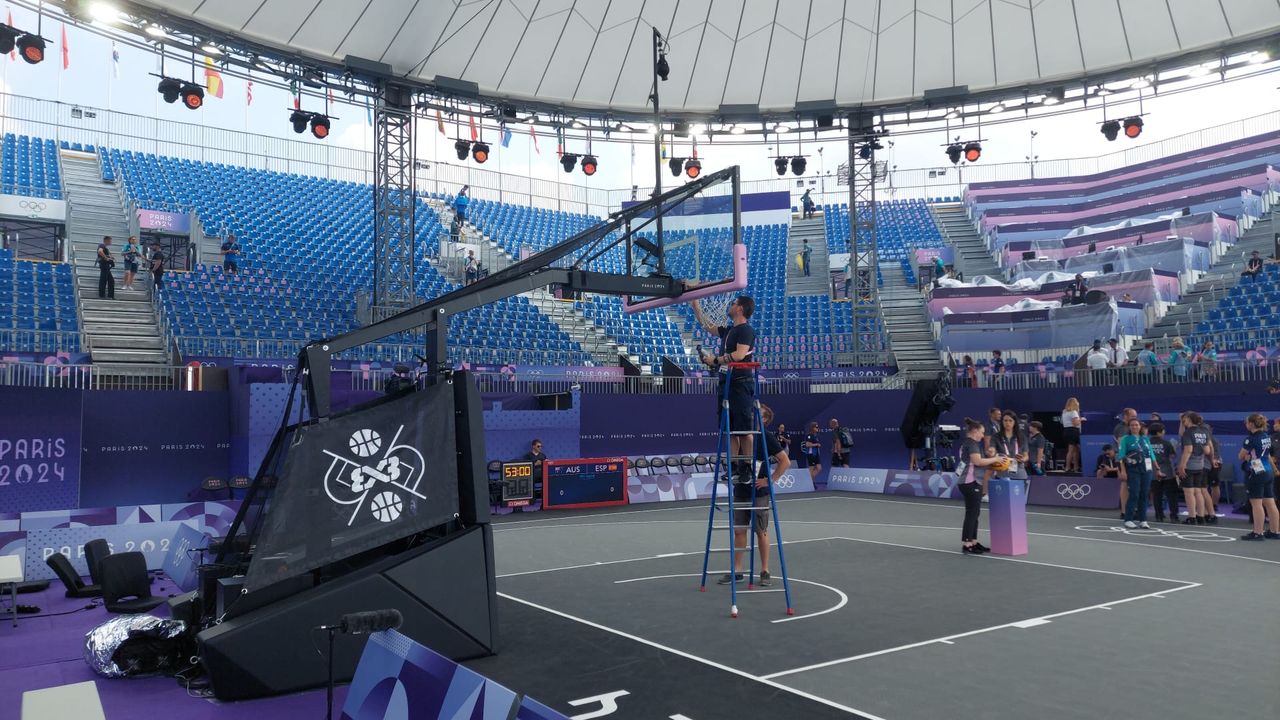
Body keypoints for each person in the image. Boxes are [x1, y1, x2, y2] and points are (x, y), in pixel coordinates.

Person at [719, 403, 789, 586]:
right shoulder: (741, 435)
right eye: (751, 415)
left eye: (757, 415)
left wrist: (770, 479)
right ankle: (737, 570)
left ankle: (765, 570)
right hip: (741, 489)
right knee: (740, 530)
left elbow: (785, 461)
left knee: (761, 531)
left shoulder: (766, 436)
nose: (751, 417)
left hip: (759, 491)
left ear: (764, 420)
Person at [693, 295, 757, 484]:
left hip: (741, 383)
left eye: (734, 303)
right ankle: (734, 466)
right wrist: (696, 306)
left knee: (744, 430)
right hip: (726, 384)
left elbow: (739, 355)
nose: (730, 306)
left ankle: (747, 468)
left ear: (740, 309)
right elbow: (708, 326)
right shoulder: (730, 330)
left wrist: (716, 360)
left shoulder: (746, 330)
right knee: (730, 430)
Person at [957, 417, 1006, 554]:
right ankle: (967, 543)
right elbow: (978, 461)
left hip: (970, 481)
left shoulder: (969, 443)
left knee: (974, 513)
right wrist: (995, 459)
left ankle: (973, 541)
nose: (983, 435)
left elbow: (979, 461)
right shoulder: (971, 444)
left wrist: (991, 457)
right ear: (975, 431)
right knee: (972, 513)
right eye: (982, 432)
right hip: (970, 482)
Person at [1239, 413, 1280, 540]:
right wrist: (1275, 469)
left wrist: (1248, 457)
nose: (1246, 425)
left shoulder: (1250, 439)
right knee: (1270, 502)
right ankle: (1275, 531)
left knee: (1256, 503)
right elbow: (1267, 455)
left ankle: (1258, 532)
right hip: (1267, 470)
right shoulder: (1266, 436)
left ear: (1251, 424)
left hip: (1257, 470)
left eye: (1246, 422)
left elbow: (1241, 456)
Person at [1117, 417, 1158, 529]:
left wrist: (1157, 468)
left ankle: (1143, 520)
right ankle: (1128, 519)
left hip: (1147, 469)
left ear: (1140, 427)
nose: (1134, 427)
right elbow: (1121, 456)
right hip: (1133, 469)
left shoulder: (1145, 439)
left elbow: (1151, 454)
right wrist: (1123, 471)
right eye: (1132, 425)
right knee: (1134, 493)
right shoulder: (1125, 439)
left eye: (1136, 425)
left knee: (1144, 494)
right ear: (1129, 427)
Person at [1176, 411, 1215, 526]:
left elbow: (1188, 450)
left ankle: (1192, 517)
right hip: (1200, 465)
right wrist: (1211, 459)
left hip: (1189, 465)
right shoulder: (1204, 431)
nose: (1184, 421)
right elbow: (1208, 450)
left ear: (1189, 419)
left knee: (1189, 492)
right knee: (1198, 491)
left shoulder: (1189, 433)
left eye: (1185, 419)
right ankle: (1201, 517)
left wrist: (1182, 465)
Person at [1149, 422, 1181, 523]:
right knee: (1172, 495)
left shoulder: (1147, 443)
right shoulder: (1167, 443)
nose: (1164, 432)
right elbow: (1172, 456)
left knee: (1157, 495)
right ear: (1159, 432)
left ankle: (1159, 515)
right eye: (1163, 430)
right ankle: (1174, 516)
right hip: (1168, 473)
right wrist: (1174, 448)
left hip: (1153, 473)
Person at [992, 411, 1029, 484]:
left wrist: (1022, 459)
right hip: (1002, 475)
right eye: (1005, 420)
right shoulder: (996, 437)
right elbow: (992, 450)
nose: (1007, 423)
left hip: (1019, 475)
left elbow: (1026, 456)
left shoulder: (1022, 437)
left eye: (1010, 420)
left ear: (1014, 422)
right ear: (1002, 422)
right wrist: (991, 452)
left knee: (1020, 495)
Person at [1061, 398, 1084, 474]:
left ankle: (1076, 467)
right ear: (1075, 403)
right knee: (1071, 450)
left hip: (1067, 431)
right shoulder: (1074, 412)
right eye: (1077, 402)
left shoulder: (1064, 412)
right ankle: (1067, 467)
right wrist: (1081, 419)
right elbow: (1075, 423)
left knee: (1076, 449)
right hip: (1073, 431)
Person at [96, 235, 115, 299]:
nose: (111, 242)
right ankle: (103, 295)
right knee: (104, 280)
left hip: (105, 265)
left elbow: (105, 253)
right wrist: (106, 258)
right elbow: (100, 251)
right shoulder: (102, 245)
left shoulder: (105, 247)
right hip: (104, 265)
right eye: (110, 240)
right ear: (106, 240)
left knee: (110, 280)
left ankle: (109, 295)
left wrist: (110, 257)